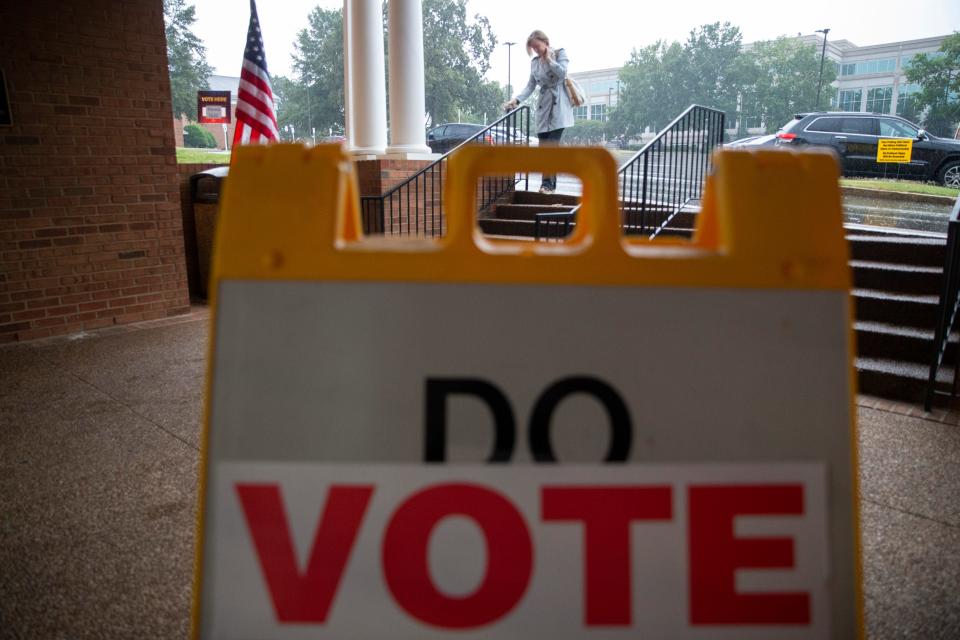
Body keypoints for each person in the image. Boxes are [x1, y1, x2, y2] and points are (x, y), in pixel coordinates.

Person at [505, 30, 574, 194]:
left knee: (551, 147)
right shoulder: (535, 62)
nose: (536, 50)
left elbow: (563, 73)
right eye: (533, 48)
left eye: (537, 46)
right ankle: (549, 185)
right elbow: (530, 85)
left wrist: (549, 60)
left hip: (559, 107)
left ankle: (547, 185)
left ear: (545, 41)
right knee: (544, 148)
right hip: (543, 107)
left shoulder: (559, 53)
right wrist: (517, 100)